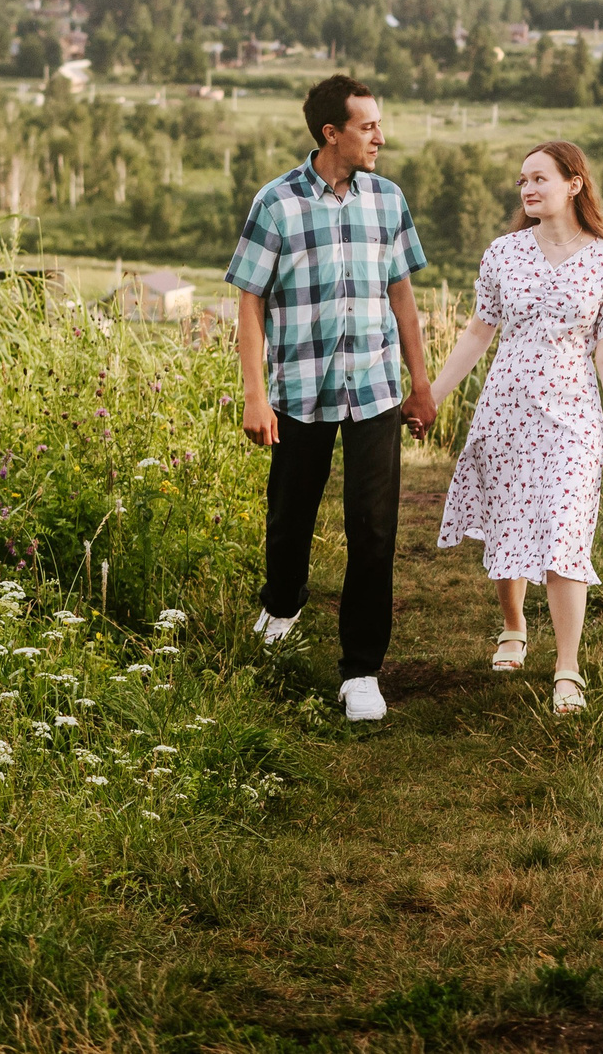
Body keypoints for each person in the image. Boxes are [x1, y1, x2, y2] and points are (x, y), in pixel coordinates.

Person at [226, 74, 436, 723]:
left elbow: (403, 296)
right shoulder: (277, 203)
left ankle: (361, 669)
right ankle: (283, 602)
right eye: (368, 125)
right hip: (298, 389)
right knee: (290, 516)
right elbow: (249, 303)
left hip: (374, 388)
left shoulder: (388, 200)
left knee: (373, 530)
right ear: (331, 133)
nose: (380, 135)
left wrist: (421, 384)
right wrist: (255, 395)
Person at [427, 141, 603, 716]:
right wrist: (433, 396)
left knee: (567, 532)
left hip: (573, 418)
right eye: (522, 181)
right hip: (507, 410)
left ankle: (567, 669)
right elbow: (476, 333)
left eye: (539, 178)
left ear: (574, 184)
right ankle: (514, 626)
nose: (528, 189)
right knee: (508, 521)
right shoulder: (504, 253)